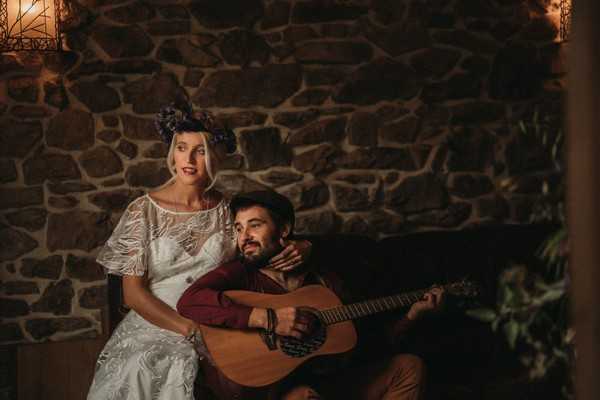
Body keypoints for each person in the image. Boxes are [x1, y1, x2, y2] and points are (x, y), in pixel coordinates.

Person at [87, 104, 311, 400]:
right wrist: (191, 331)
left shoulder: (228, 211)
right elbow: (133, 294)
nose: (189, 160)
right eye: (181, 148)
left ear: (215, 156)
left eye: (200, 150)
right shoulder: (143, 211)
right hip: (157, 323)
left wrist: (303, 245)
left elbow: (257, 248)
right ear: (172, 154)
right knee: (144, 367)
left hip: (216, 320)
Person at [177, 190, 445, 400]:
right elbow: (189, 301)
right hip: (281, 393)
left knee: (409, 366)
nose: (244, 236)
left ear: (284, 230)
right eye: (238, 228)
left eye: (254, 225)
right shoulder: (239, 273)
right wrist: (267, 318)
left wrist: (412, 315)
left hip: (333, 382)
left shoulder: (324, 280)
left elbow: (365, 340)